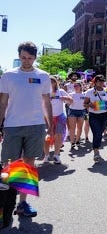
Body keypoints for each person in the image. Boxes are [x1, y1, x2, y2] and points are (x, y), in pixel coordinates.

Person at [0, 41, 53, 217]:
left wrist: (50, 124)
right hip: (12, 126)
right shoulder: (8, 75)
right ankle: (4, 205)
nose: (26, 61)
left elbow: (46, 102)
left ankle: (22, 204)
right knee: (9, 164)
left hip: (36, 126)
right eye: (23, 57)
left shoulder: (43, 76)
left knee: (28, 164)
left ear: (35, 57)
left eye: (30, 58)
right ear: (19, 55)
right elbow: (3, 103)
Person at [83, 75, 107, 162]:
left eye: (103, 81)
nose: (101, 82)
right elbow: (85, 104)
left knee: (100, 133)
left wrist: (98, 105)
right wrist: (91, 105)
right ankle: (96, 152)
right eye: (99, 81)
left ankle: (97, 148)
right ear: (95, 82)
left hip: (104, 116)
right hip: (93, 116)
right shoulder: (89, 92)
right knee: (97, 133)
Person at [43, 76, 73, 163]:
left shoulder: (61, 91)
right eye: (49, 81)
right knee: (46, 138)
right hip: (46, 118)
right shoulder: (43, 92)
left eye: (53, 81)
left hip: (59, 117)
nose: (51, 83)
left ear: (56, 83)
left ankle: (56, 155)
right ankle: (47, 155)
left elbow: (71, 101)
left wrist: (65, 98)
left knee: (58, 136)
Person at [68, 82, 87, 148]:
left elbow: (87, 103)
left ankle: (78, 140)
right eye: (74, 86)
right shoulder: (71, 94)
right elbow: (68, 104)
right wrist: (69, 101)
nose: (76, 87)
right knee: (72, 128)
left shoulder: (84, 94)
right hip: (72, 111)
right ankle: (72, 142)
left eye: (77, 86)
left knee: (79, 127)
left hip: (81, 111)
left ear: (80, 86)